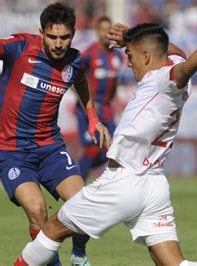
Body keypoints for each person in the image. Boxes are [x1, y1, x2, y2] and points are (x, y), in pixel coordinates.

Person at [14, 10, 197, 266]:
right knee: (174, 263)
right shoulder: (168, 64)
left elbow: (186, 68)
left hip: (123, 181)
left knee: (53, 228)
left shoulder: (164, 81)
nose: (128, 61)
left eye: (130, 54)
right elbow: (176, 54)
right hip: (153, 185)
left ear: (146, 56)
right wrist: (131, 38)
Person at [0, 3, 111, 266]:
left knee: (84, 204)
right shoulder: (21, 47)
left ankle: (79, 252)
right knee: (37, 209)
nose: (58, 44)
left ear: (73, 35)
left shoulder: (74, 61)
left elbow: (82, 84)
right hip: (11, 150)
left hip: (50, 147)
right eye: (52, 37)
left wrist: (93, 119)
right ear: (41, 33)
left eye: (64, 37)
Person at [76, 16, 123, 181]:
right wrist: (86, 105)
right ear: (96, 31)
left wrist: (118, 107)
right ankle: (76, 187)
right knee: (92, 147)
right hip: (88, 110)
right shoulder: (89, 54)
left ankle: (79, 171)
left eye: (109, 30)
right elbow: (75, 81)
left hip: (107, 110)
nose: (106, 33)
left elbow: (114, 85)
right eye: (102, 29)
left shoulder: (117, 56)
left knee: (115, 148)